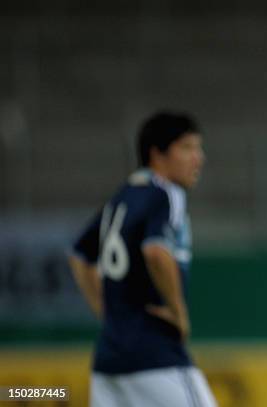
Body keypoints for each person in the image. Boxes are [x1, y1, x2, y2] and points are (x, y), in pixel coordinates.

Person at [68, 112, 217, 407]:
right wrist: (178, 313)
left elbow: (80, 256)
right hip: (154, 353)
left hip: (109, 360)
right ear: (157, 153)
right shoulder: (165, 193)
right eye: (187, 148)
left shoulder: (123, 196)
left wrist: (107, 313)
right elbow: (155, 252)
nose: (199, 158)